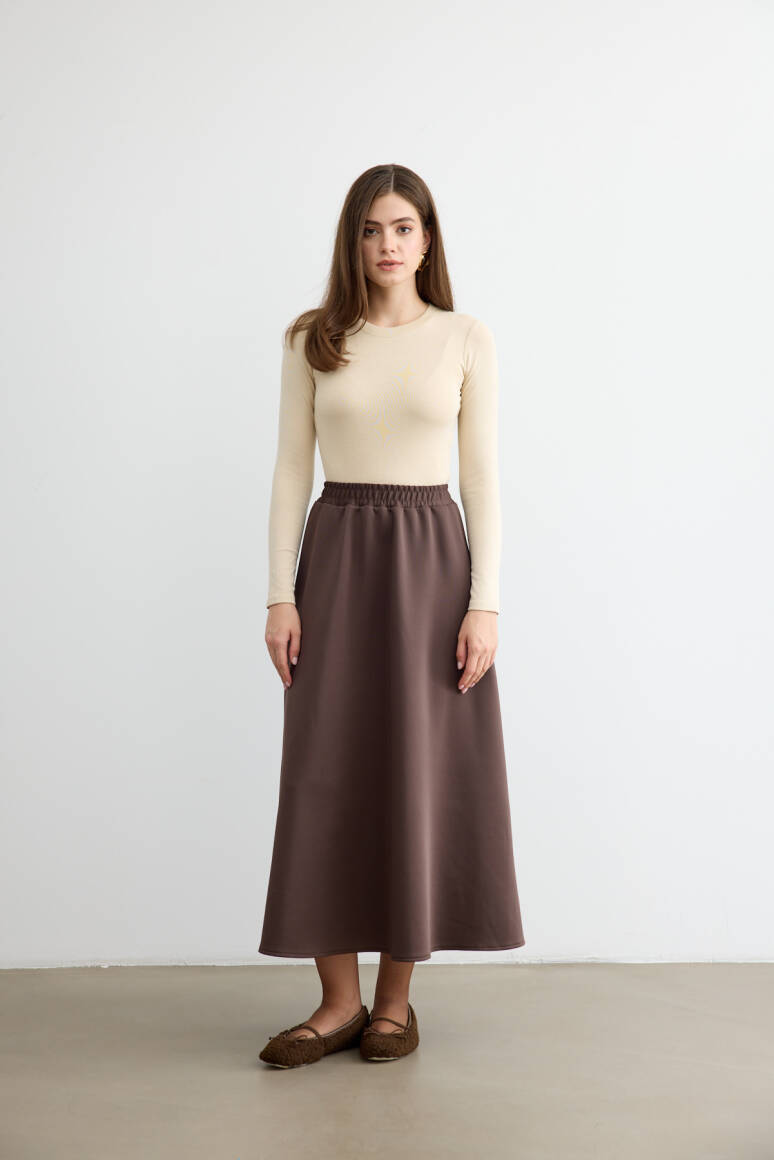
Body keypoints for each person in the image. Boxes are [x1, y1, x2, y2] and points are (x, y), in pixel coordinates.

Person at [258, 163, 525, 1068]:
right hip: (336, 560)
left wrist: (484, 602)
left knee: (417, 768)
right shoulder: (313, 339)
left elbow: (482, 478)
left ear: (427, 238)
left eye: (403, 227)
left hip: (429, 565)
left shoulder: (464, 337)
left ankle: (395, 1006)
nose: (387, 244)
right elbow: (290, 470)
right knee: (325, 770)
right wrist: (280, 593)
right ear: (353, 240)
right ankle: (338, 1002)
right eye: (372, 229)